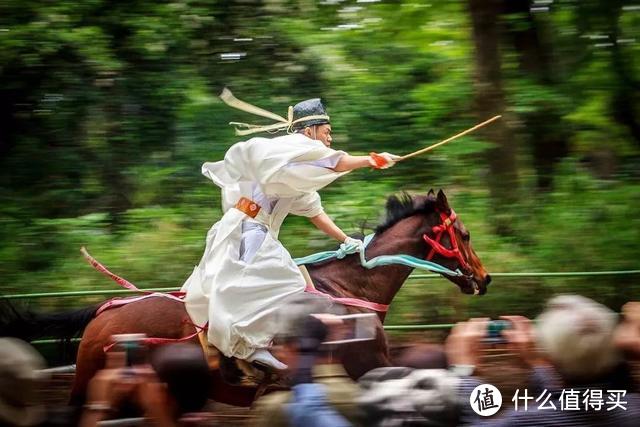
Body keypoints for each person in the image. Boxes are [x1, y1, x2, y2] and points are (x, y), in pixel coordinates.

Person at [181, 90, 399, 370]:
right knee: (289, 284)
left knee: (285, 285)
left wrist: (346, 240)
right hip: (249, 229)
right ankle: (250, 348)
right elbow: (333, 161)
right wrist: (371, 160)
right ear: (309, 131)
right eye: (327, 132)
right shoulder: (292, 147)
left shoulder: (294, 169)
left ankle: (259, 344)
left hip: (256, 232)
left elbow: (315, 212)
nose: (330, 138)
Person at [251, 296, 365, 426]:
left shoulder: (278, 409)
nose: (279, 353)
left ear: (295, 347)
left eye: (282, 344)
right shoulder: (368, 400)